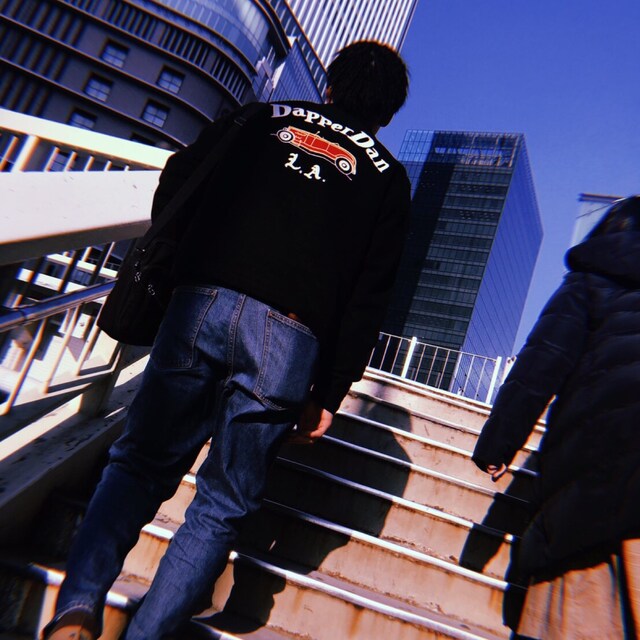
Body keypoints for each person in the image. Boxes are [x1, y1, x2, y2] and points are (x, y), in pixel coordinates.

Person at [43, 41, 411, 640]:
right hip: (290, 339)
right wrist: (330, 390)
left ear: (330, 86)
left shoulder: (258, 118)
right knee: (220, 505)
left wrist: (188, 261)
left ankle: (77, 610)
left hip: (202, 302)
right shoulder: (388, 180)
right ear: (387, 114)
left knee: (139, 464)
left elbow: (177, 180)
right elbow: (370, 295)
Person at [472, 195, 640, 639]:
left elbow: (540, 365)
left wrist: (497, 445)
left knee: (580, 610)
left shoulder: (590, 279)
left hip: (595, 475)